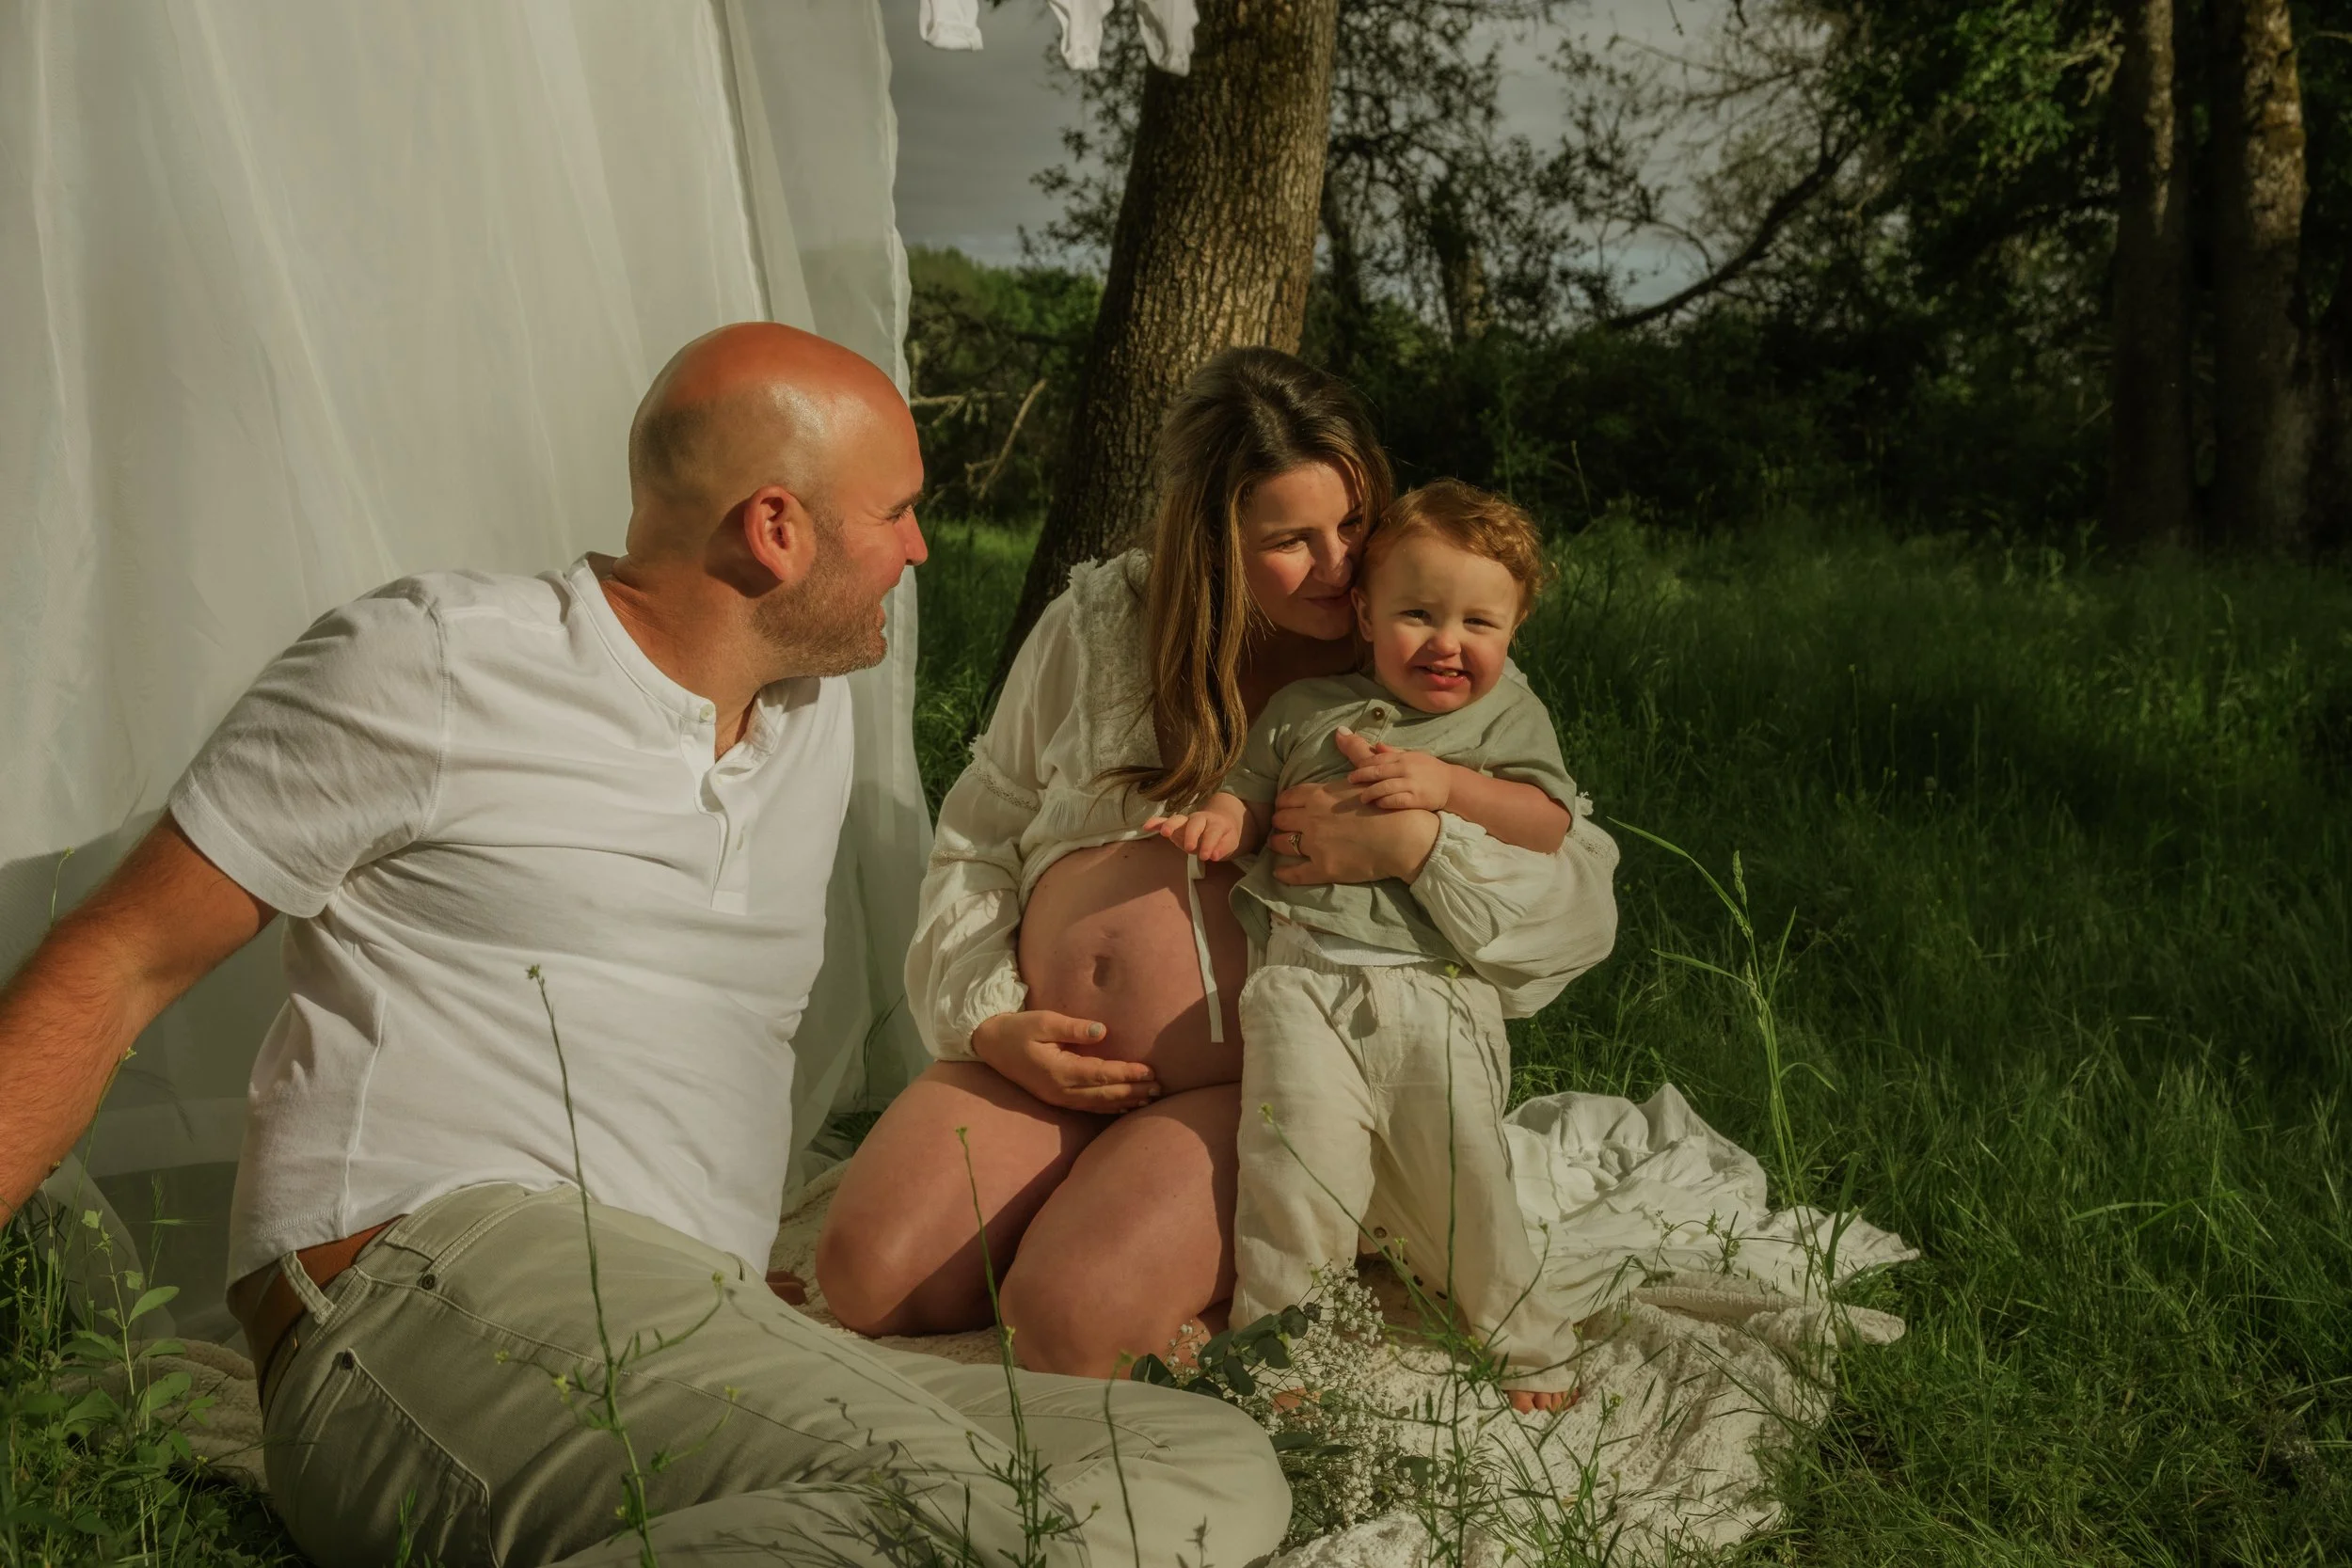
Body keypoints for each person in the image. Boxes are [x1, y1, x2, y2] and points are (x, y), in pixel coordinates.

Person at [0, 324, 1288, 1568]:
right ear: (775, 529)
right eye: (894, 509)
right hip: (424, 1276)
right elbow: (117, 960)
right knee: (946, 1493)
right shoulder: (435, 667)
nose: (924, 546)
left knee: (1200, 1460)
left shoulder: (806, 721)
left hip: (681, 1306)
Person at [817, 349, 1622, 1379]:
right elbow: (982, 829)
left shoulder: (1426, 651)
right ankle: (1099, 1199)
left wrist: (1418, 845)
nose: (1338, 563)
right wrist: (988, 1018)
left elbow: (1577, 895)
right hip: (1051, 1056)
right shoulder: (1104, 621)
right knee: (866, 1275)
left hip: (1268, 1074)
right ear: (1210, 540)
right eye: (1289, 539)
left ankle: (1275, 1311)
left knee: (1067, 1322)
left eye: (1350, 521)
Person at [1148, 480, 1585, 1413]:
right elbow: (1251, 788)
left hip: (1435, 985)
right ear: (1363, 611)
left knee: (1466, 1171)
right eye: (1417, 614)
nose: (1447, 642)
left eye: (1479, 622)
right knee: (1294, 1170)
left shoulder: (1505, 718)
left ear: (1513, 632)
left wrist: (1448, 786)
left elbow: (1546, 823)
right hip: (1301, 979)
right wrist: (1221, 820)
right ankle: (1282, 1353)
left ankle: (1527, 1339)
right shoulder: (1308, 705)